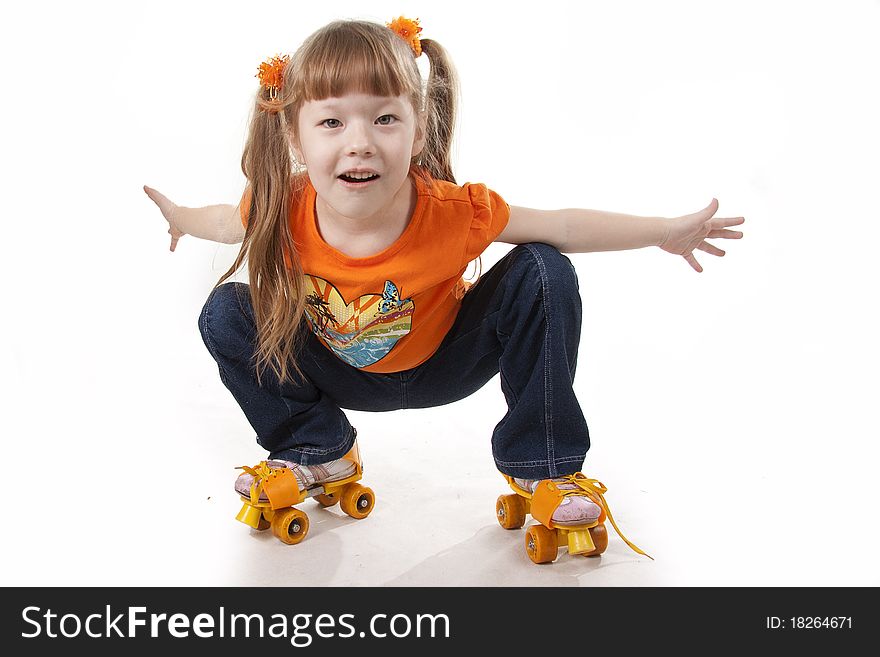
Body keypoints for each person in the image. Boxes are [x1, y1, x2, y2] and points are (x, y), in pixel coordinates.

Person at [144, 17, 743, 557]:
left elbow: (561, 225)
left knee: (542, 266)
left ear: (417, 127)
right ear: (298, 140)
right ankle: (315, 446)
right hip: (338, 371)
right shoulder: (284, 208)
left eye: (384, 118)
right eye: (332, 122)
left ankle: (546, 463)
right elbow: (226, 220)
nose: (360, 141)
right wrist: (181, 219)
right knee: (226, 310)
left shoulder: (454, 212)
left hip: (446, 363)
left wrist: (665, 231)